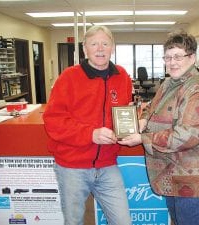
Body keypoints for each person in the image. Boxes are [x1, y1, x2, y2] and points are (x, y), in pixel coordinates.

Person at [118, 30, 199, 225]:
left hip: (197, 182)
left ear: (192, 57)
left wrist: (143, 138)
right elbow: (151, 107)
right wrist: (143, 121)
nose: (172, 62)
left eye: (178, 56)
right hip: (175, 175)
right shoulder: (169, 82)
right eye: (168, 57)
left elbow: (186, 136)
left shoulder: (198, 89)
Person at [43, 25, 132, 225]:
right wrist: (90, 134)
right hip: (72, 166)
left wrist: (136, 121)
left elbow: (123, 112)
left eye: (105, 43)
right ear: (84, 49)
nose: (100, 49)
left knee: (123, 221)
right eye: (94, 44)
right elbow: (53, 120)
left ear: (113, 47)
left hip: (107, 164)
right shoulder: (69, 77)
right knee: (74, 221)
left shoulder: (122, 76)